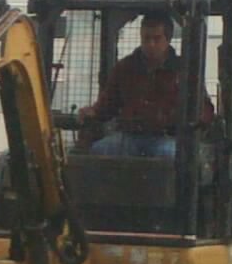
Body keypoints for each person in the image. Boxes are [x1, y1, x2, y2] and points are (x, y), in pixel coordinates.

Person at [78, 11, 213, 157]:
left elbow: (204, 110)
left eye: (156, 39)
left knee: (171, 155)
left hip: (167, 138)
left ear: (168, 39)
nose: (150, 44)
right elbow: (107, 104)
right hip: (129, 136)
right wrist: (92, 112)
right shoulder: (125, 68)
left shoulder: (185, 71)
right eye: (146, 38)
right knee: (100, 150)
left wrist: (188, 120)